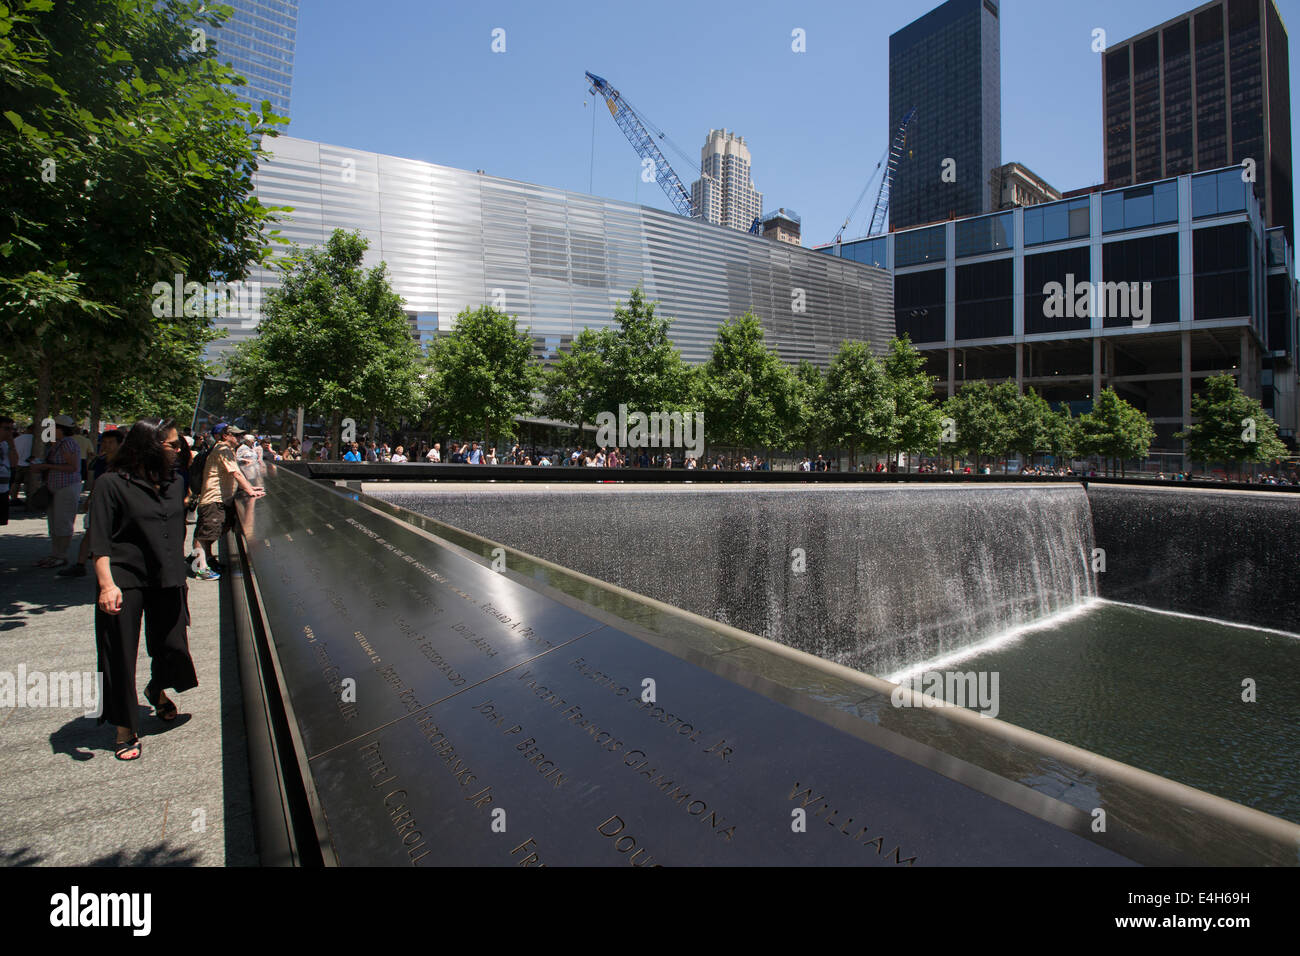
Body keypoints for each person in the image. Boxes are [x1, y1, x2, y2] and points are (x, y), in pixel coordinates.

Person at [89, 418, 200, 761]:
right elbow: (99, 540)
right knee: (119, 651)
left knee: (173, 646)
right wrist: (106, 584)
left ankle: (156, 688)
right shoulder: (110, 484)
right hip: (125, 578)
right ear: (147, 447)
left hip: (167, 576)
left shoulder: (175, 482)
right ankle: (125, 726)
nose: (179, 451)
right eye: (172, 445)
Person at [191, 423, 265, 580]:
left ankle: (207, 560)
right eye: (236, 435)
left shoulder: (226, 449)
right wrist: (250, 490)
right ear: (225, 436)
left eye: (240, 435)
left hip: (220, 499)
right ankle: (200, 568)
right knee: (205, 535)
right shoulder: (223, 449)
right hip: (213, 498)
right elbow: (235, 473)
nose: (239, 438)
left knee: (212, 532)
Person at [59, 429, 126, 578]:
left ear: (120, 444)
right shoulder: (101, 461)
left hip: (119, 501)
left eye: (111, 443)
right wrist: (89, 499)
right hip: (100, 501)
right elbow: (97, 482)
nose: (107, 446)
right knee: (90, 532)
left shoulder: (126, 462)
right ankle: (80, 564)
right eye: (105, 442)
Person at [31, 415, 84, 568]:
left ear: (60, 429)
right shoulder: (58, 444)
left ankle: (61, 555)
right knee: (54, 523)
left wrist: (47, 467)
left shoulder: (67, 443)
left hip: (65, 487)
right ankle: (55, 554)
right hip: (55, 486)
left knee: (63, 522)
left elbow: (72, 467)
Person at [0, 417, 16, 527]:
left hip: (3, 488)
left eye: (12, 429)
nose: (10, 432)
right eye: (6, 429)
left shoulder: (6, 445)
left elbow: (14, 463)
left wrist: (11, 445)